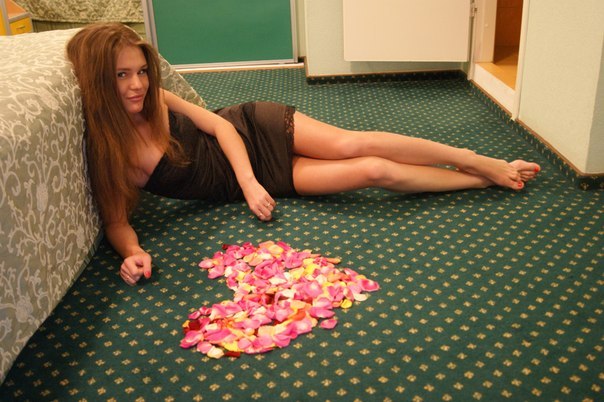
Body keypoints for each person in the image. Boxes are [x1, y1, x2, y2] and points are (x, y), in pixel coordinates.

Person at [66, 23, 540, 286]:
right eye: (122, 75)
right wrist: (133, 253)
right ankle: (480, 179)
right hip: (255, 181)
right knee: (372, 171)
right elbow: (116, 221)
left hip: (252, 131)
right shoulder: (110, 152)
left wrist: (249, 183)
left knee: (355, 144)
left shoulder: (156, 98)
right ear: (98, 80)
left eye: (141, 71)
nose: (138, 84)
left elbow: (219, 125)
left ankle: (474, 158)